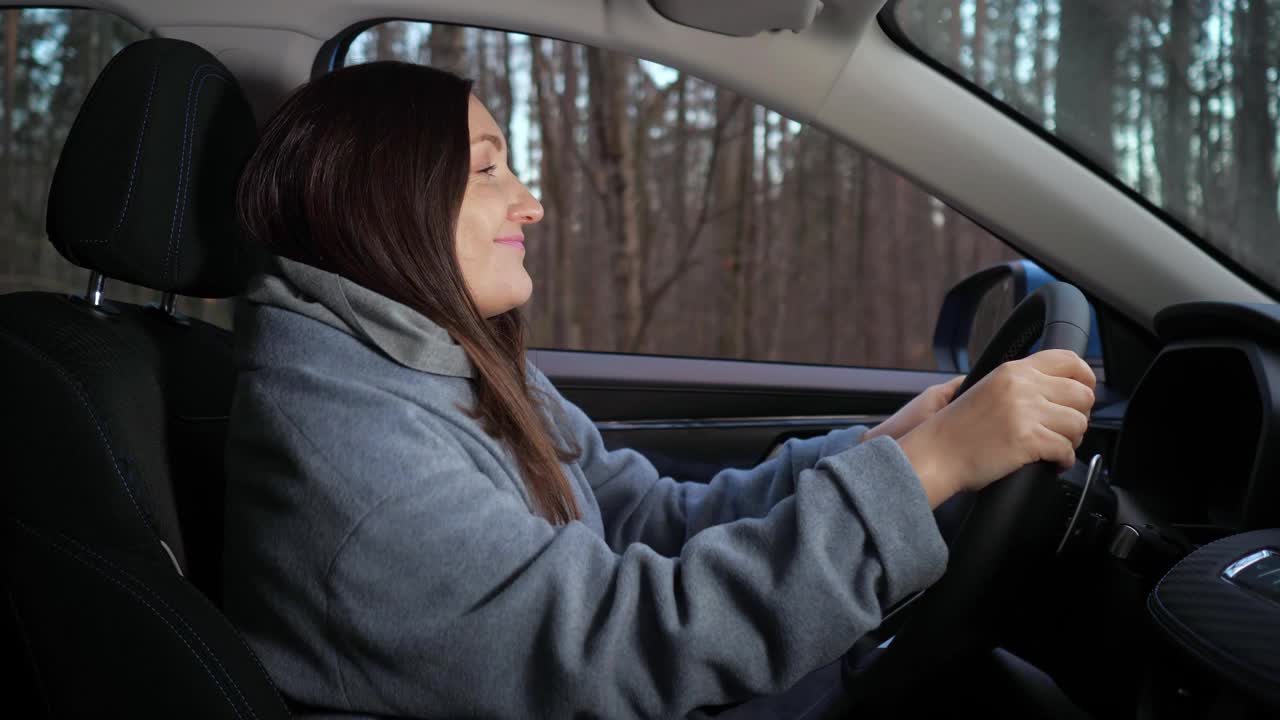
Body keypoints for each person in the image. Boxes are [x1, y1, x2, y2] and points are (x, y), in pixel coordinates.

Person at [221, 61, 1096, 719]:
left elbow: (643, 519)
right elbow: (620, 645)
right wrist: (926, 473)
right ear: (381, 196)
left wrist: (885, 456)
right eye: (488, 169)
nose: (531, 203)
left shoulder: (438, 358)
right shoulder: (355, 458)